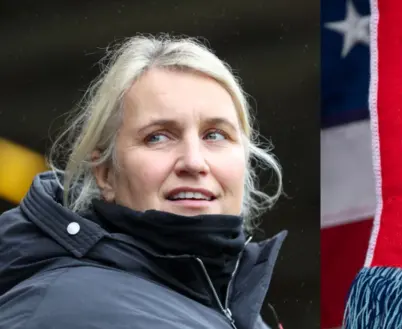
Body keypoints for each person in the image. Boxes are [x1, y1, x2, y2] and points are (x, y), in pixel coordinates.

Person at [0, 34, 286, 329]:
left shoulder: (233, 308)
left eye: (215, 135)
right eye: (158, 137)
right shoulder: (62, 312)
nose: (194, 162)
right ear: (105, 174)